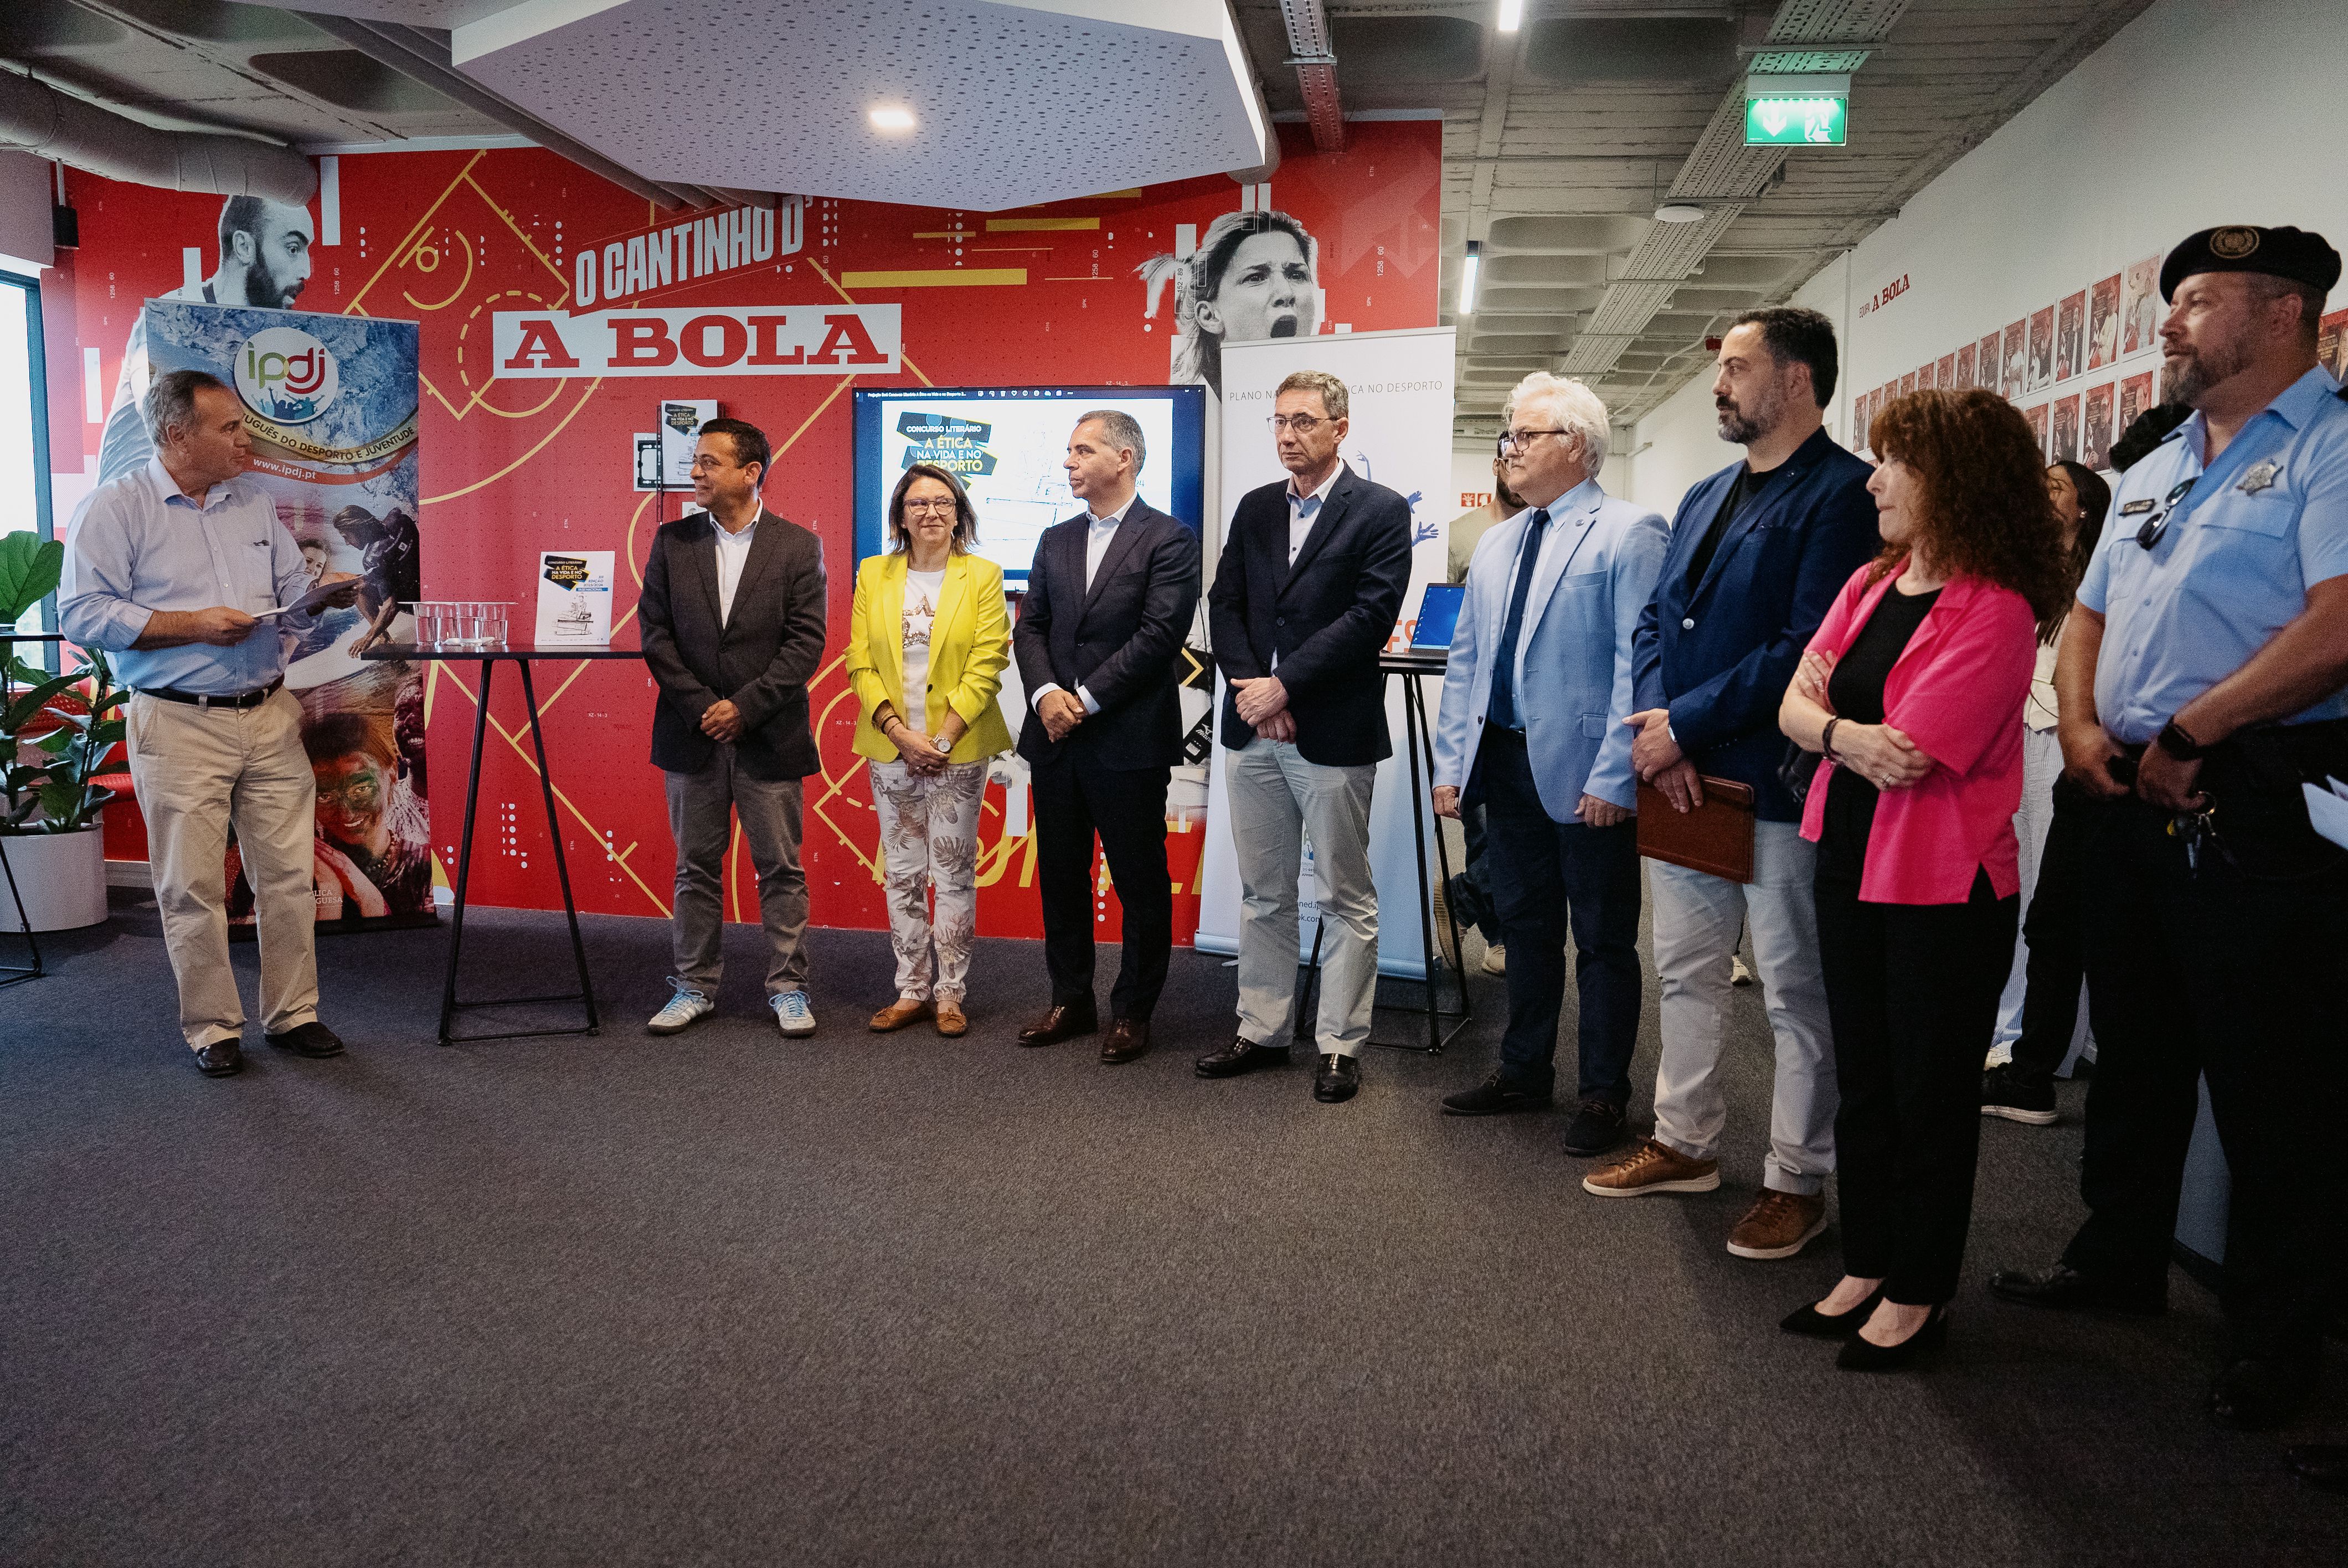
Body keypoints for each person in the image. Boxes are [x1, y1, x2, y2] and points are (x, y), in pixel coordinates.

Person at [1987, 226, 2348, 1448]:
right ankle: (2118, 1255)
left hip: (2247, 792)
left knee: (2268, 1079)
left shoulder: (2330, 448)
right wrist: (2087, 727)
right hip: (2123, 785)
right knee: (2136, 1048)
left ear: (2284, 311)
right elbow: (2088, 614)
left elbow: (2336, 626)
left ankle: (2274, 1334)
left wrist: (2195, 731)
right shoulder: (2157, 460)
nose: (2169, 322)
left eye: (2198, 300)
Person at [1776, 388, 2062, 1370]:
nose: (1875, 481)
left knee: (1928, 1092)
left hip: (1944, 884)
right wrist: (1841, 736)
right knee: (1864, 1078)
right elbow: (1793, 707)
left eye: (1897, 462)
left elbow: (1917, 750)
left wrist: (1830, 729)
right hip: (1848, 857)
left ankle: (1919, 1289)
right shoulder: (1870, 584)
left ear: (1956, 481)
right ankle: (1869, 1263)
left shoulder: (1999, 610)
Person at [1588, 306, 1880, 1262]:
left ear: (1796, 379)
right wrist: (1660, 727)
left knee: (1795, 992)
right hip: (1686, 783)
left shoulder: (1844, 494)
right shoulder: (1708, 492)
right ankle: (1686, 1142)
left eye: (1739, 368)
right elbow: (1654, 622)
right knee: (1686, 970)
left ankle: (1797, 1180)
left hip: (1778, 786)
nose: (1719, 383)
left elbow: (1805, 646)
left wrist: (1683, 725)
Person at [56, 368, 359, 1077]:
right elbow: (82, 614)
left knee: (289, 878)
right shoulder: (115, 508)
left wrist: (319, 599)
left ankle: (293, 1014)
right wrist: (191, 624)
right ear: (176, 435)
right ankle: (213, 1027)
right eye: (230, 428)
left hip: (269, 715)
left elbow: (291, 592)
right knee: (191, 886)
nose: (247, 441)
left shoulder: (254, 504)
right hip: (178, 721)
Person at [1430, 373, 1666, 1155]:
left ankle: (1603, 1094)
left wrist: (1616, 774)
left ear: (1577, 445)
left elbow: (1640, 665)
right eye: (1509, 436)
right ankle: (1524, 1070)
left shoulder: (1629, 532)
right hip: (1506, 762)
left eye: (1525, 436)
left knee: (1602, 939)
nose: (1510, 449)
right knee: (1526, 928)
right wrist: (1452, 764)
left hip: (1588, 769)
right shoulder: (1498, 541)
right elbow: (1468, 664)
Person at [1197, 370, 1412, 1104]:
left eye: (1304, 421)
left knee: (1344, 896)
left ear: (1340, 428)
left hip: (1332, 729)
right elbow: (1225, 602)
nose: (1288, 435)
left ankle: (1340, 1046)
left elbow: (1370, 616)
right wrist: (1253, 690)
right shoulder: (1256, 507)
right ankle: (1262, 1029)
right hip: (1253, 726)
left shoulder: (1380, 510)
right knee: (1264, 893)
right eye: (1280, 421)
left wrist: (1285, 687)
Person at [1012, 410, 1201, 1063]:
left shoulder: (1169, 538)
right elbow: (1030, 627)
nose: (1068, 462)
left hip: (1128, 739)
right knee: (1061, 877)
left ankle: (1132, 1011)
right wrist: (1046, 695)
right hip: (1055, 738)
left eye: (1082, 450)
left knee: (1139, 883)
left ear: (1124, 458)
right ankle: (1070, 1000)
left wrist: (1084, 701)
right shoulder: (1054, 538)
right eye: (1068, 451)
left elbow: (1159, 635)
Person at [637, 417, 829, 1039]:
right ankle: (693, 986)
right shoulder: (671, 541)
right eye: (696, 461)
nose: (695, 472)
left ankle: (789, 989)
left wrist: (744, 707)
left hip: (769, 735)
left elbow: (806, 644)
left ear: (751, 473)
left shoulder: (797, 546)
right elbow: (655, 636)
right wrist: (704, 707)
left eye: (709, 462)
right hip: (691, 734)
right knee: (695, 868)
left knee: (781, 869)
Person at [845, 463, 1014, 1037]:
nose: (931, 513)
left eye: (943, 502)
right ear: (900, 516)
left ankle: (950, 994)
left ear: (959, 513)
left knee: (954, 873)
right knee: (902, 874)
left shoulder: (983, 575)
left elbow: (988, 662)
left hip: (956, 750)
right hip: (891, 745)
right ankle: (912, 989)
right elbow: (859, 662)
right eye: (918, 503)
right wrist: (900, 733)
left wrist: (939, 741)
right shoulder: (874, 574)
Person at [1981, 460, 2111, 1124]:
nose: (2040, 493)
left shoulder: (2097, 580)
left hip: (2064, 741)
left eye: (2055, 488)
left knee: (2048, 898)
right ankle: (2013, 1028)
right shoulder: (2030, 573)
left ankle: (2044, 1042)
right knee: (2020, 890)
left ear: (2084, 508)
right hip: (2021, 736)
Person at [99, 196, 316, 484]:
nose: (307, 271)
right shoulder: (173, 318)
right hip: (143, 502)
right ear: (244, 247)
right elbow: (159, 411)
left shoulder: (264, 335)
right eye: (293, 249)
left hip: (205, 498)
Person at [1436, 460, 1527, 977]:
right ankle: (1499, 937)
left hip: (1530, 715)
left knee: (1523, 837)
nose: (1519, 462)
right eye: (1512, 451)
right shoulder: (1462, 537)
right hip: (1478, 713)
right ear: (1497, 465)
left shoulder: (1550, 531)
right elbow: (1449, 630)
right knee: (1485, 832)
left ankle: (1465, 899)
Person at [1139, 209, 1321, 399]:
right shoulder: (1190, 406)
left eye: (1297, 275)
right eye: (1256, 277)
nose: (1286, 293)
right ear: (1209, 316)